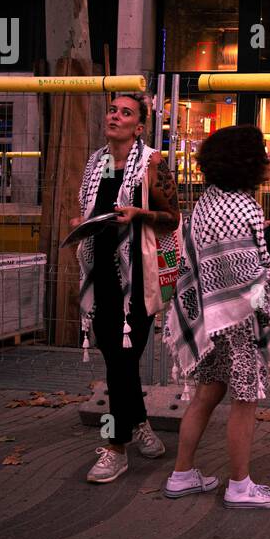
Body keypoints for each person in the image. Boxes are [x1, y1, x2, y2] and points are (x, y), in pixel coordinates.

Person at [162, 126, 270, 508]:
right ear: (248, 161)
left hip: (208, 318)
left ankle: (182, 474)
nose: (268, 159)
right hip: (239, 325)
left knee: (208, 391)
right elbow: (247, 282)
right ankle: (240, 486)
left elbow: (223, 256)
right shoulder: (244, 207)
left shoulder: (208, 202)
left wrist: (262, 236)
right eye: (262, 152)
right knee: (245, 399)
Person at [72, 93, 180, 484]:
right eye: (113, 110)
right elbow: (87, 207)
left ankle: (115, 448)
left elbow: (172, 217)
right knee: (117, 357)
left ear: (139, 127)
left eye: (126, 113)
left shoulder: (151, 163)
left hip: (138, 277)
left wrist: (139, 214)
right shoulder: (95, 161)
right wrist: (80, 222)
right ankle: (139, 422)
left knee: (123, 356)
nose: (115, 116)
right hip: (100, 270)